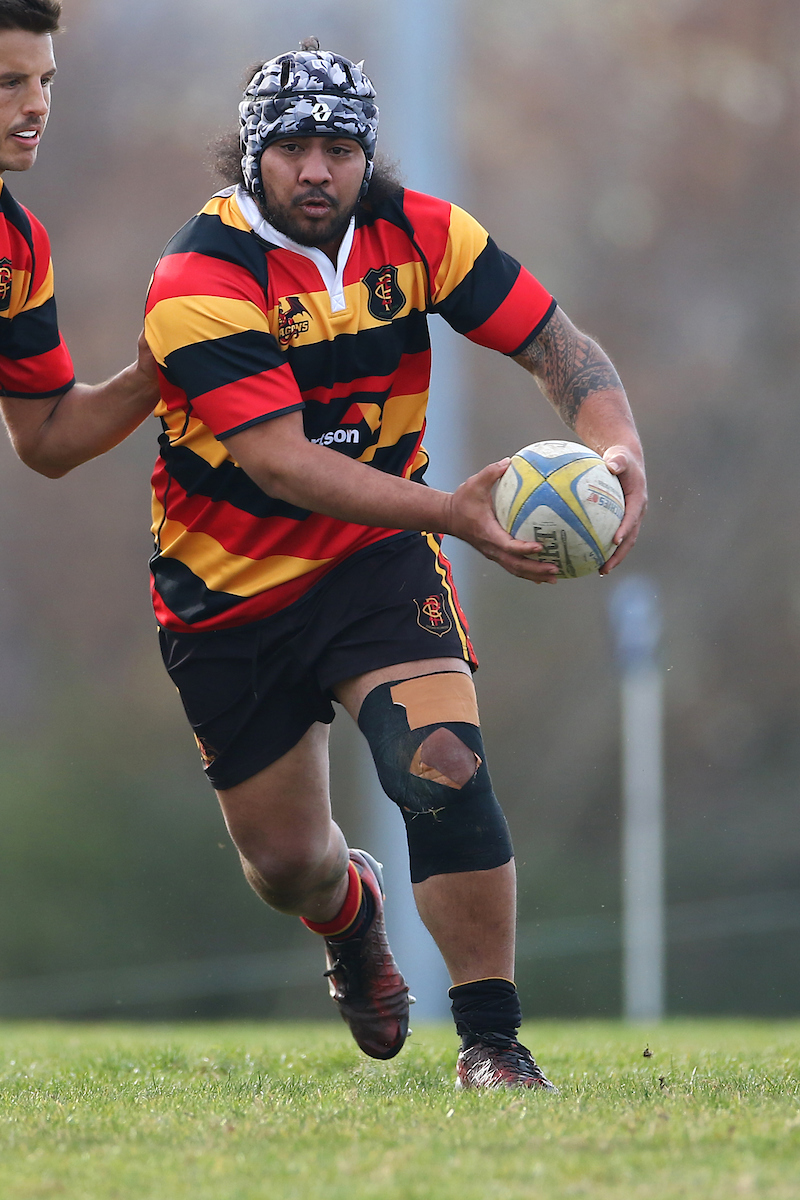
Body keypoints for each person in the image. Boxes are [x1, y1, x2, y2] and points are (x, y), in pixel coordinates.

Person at [19, 35, 647, 1089]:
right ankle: (350, 920)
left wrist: (617, 443)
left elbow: (556, 346)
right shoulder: (196, 276)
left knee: (441, 766)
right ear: (252, 154)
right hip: (224, 594)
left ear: (367, 156)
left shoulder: (424, 234)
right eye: (294, 147)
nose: (317, 169)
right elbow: (281, 464)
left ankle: (492, 1044)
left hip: (373, 563)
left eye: (339, 149)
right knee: (287, 865)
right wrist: (451, 509)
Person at [0, 0, 157, 476]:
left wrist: (153, 374)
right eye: (10, 82)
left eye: (45, 82)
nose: (38, 105)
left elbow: (46, 435)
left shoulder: (22, 244)